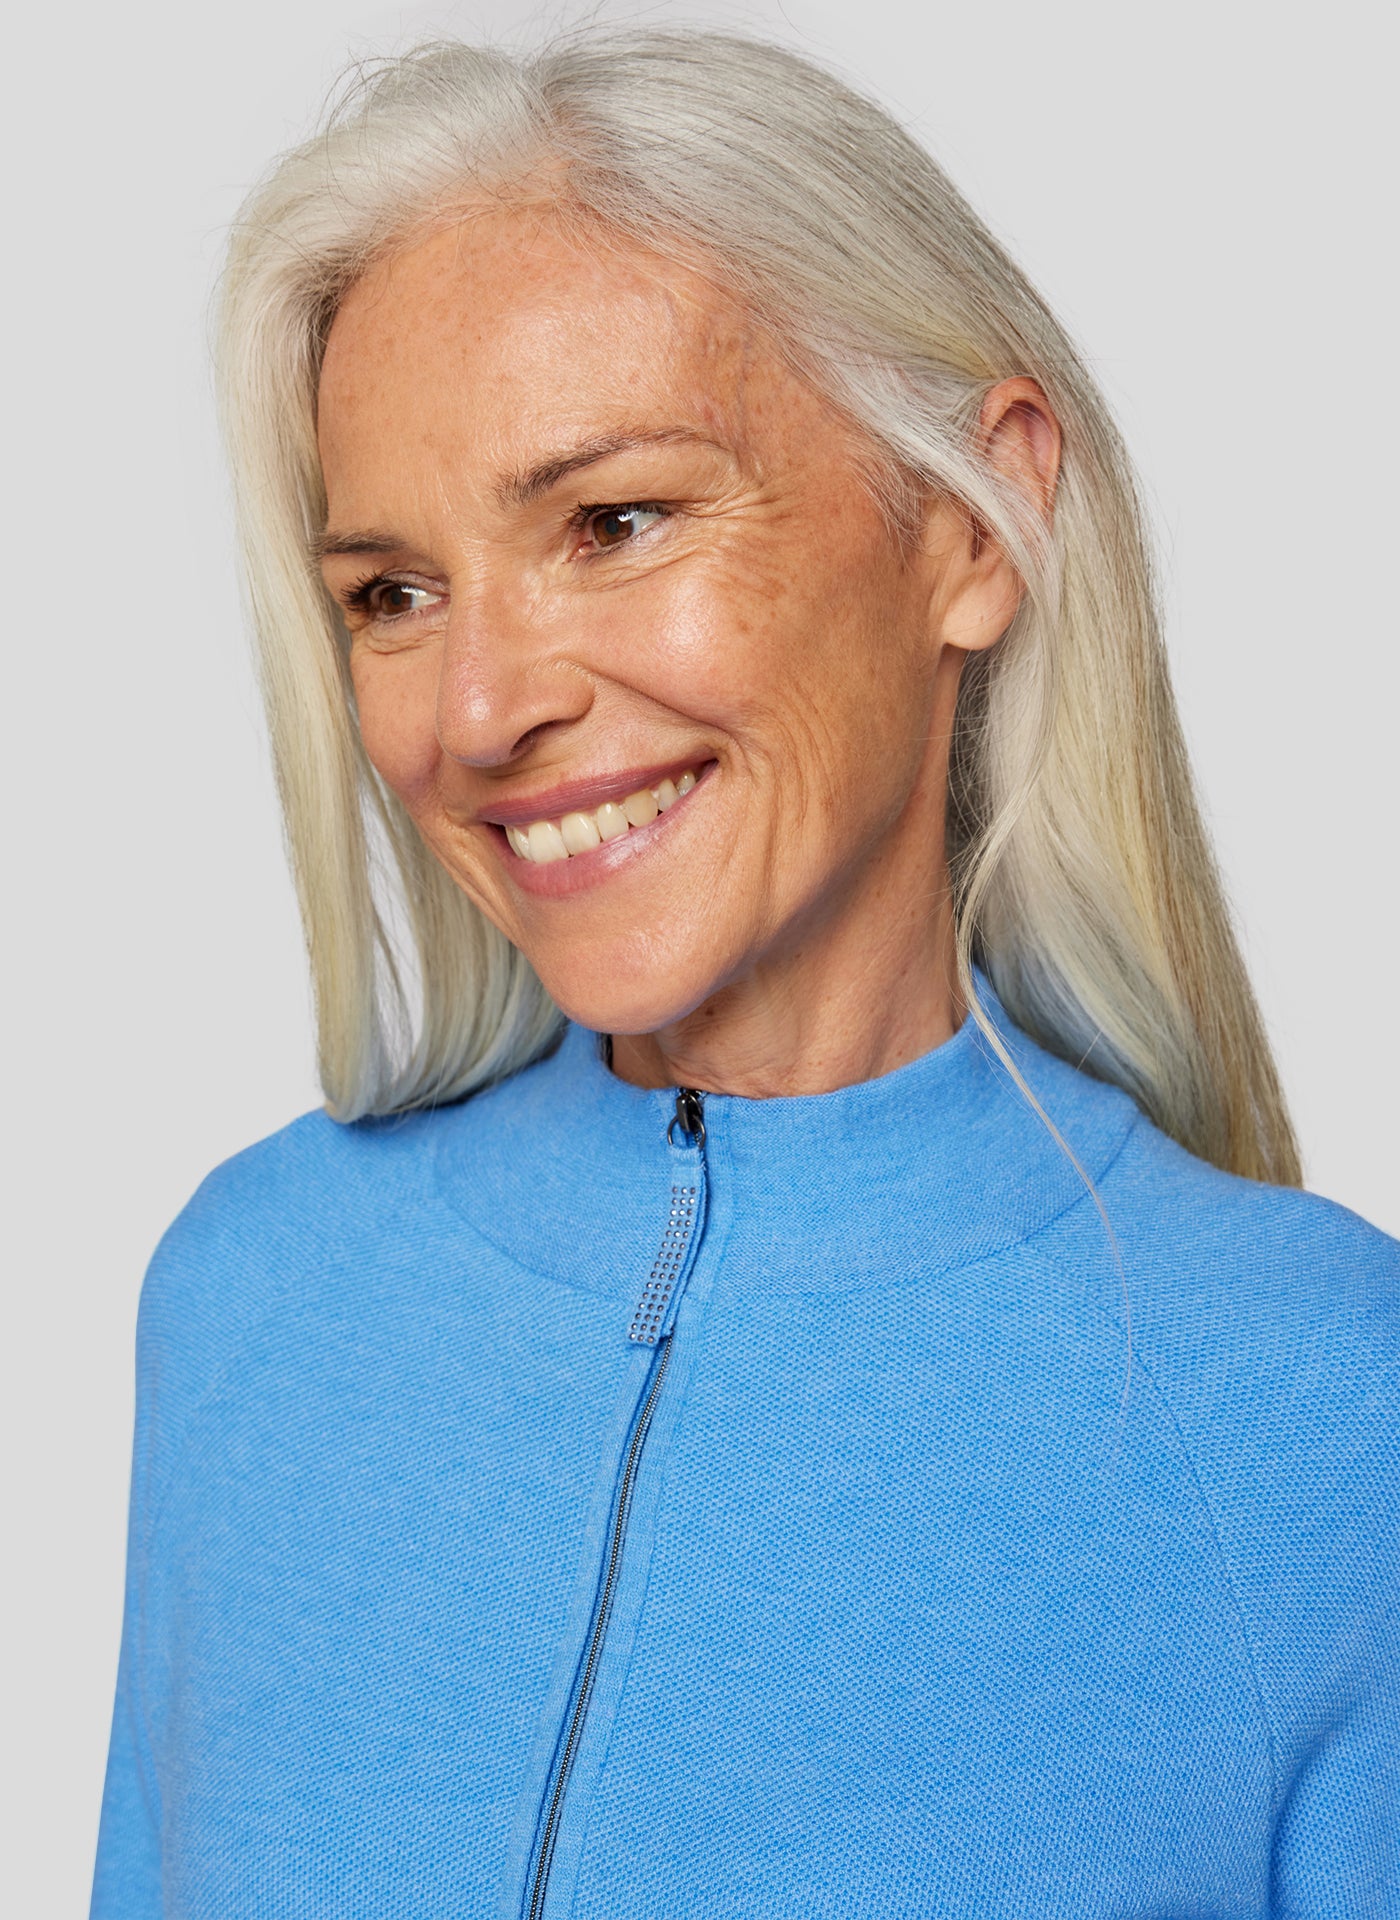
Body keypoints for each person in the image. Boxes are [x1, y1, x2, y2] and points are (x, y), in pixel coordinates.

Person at [90, 28, 1398, 1918]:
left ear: (975, 520)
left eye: (613, 522)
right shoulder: (255, 1297)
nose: (481, 709)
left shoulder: (1324, 1412)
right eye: (394, 593)